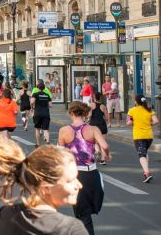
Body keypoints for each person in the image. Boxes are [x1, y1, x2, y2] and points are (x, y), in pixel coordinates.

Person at [0, 135, 88, 235]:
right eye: (70, 180)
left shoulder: (5, 215)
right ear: (46, 188)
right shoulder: (71, 229)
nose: (79, 185)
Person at [58, 101, 110, 235]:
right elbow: (104, 146)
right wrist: (107, 155)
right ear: (85, 113)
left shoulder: (64, 131)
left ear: (71, 113)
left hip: (75, 175)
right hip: (92, 174)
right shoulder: (93, 129)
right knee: (85, 213)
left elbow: (60, 155)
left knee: (82, 214)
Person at [127, 95, 158, 183]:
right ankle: (145, 171)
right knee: (144, 152)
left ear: (136, 102)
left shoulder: (132, 110)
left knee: (141, 155)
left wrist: (134, 121)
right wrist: (149, 124)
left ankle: (147, 173)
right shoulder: (149, 110)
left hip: (139, 136)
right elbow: (156, 121)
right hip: (149, 136)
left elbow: (128, 122)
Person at [87, 92, 109, 165]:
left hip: (93, 124)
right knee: (102, 142)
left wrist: (88, 120)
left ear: (95, 98)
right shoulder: (103, 106)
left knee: (94, 141)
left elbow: (89, 115)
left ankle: (97, 150)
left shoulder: (91, 105)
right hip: (102, 124)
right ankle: (103, 160)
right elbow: (106, 117)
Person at [32, 81, 52, 147]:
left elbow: (32, 102)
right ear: (44, 88)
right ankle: (48, 142)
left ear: (38, 88)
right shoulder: (47, 95)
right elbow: (50, 105)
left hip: (37, 113)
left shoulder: (35, 94)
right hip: (46, 113)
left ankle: (38, 144)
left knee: (37, 129)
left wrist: (32, 106)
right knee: (46, 129)